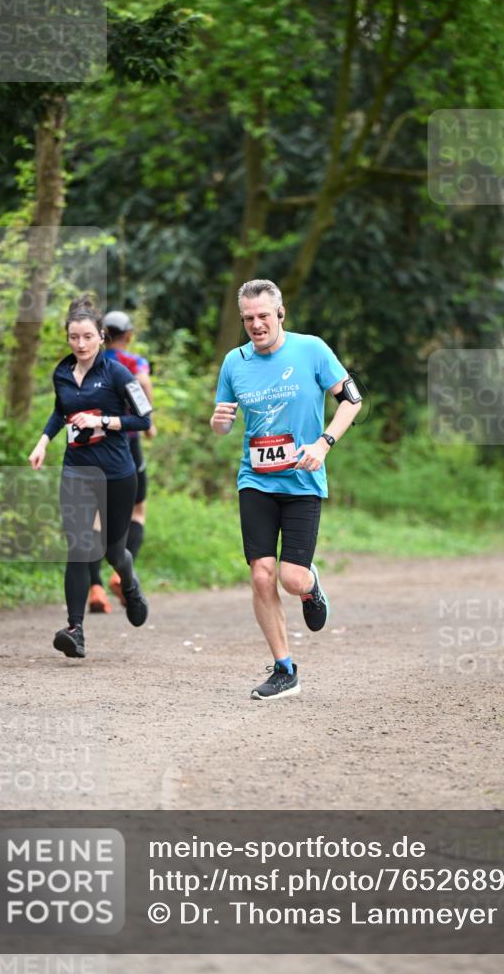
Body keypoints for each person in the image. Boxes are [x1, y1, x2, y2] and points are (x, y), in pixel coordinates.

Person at [210, 278, 362, 700]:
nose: (256, 325)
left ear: (280, 314)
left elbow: (352, 399)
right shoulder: (234, 362)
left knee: (291, 578)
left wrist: (324, 442)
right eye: (248, 319)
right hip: (255, 479)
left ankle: (310, 586)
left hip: (302, 480)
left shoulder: (311, 349)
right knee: (262, 575)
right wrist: (220, 422)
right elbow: (222, 423)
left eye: (263, 316)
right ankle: (284, 669)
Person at [28, 295, 151, 659]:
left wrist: (103, 421)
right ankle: (75, 629)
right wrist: (43, 441)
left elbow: (144, 419)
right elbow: (59, 412)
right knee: (80, 548)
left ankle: (129, 584)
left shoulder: (118, 374)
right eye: (73, 338)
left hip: (116, 473)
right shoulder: (62, 372)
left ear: (101, 336)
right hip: (76, 471)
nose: (80, 344)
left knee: (113, 551)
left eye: (86, 337)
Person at [87, 310, 157, 614]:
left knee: (93, 518)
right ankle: (120, 572)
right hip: (126, 447)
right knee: (137, 510)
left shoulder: (90, 363)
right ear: (128, 335)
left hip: (92, 447)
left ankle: (95, 589)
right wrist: (149, 422)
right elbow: (142, 381)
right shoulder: (134, 362)